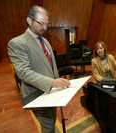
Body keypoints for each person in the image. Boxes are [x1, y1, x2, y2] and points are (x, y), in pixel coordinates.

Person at [8, 5, 70, 133]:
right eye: (41, 23)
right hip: (36, 94)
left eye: (46, 24)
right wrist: (51, 82)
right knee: (48, 127)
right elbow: (23, 72)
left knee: (51, 122)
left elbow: (50, 66)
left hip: (51, 92)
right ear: (29, 20)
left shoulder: (45, 41)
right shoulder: (17, 43)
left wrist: (56, 81)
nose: (45, 28)